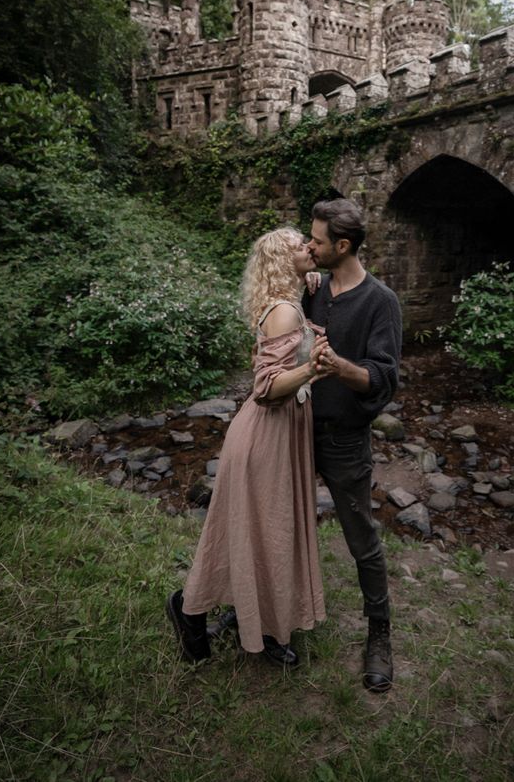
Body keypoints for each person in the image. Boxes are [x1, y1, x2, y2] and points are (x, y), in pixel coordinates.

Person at [166, 227, 328, 668]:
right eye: (300, 245)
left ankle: (261, 621)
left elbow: (307, 291)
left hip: (279, 434)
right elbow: (266, 387)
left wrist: (311, 281)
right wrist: (314, 368)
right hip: (266, 435)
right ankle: (190, 610)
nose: (309, 248)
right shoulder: (283, 313)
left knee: (263, 533)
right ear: (281, 260)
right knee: (266, 532)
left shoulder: (292, 300)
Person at [304, 197, 402, 693]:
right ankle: (268, 614)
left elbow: (384, 381)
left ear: (343, 246)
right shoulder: (313, 288)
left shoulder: (381, 302)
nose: (310, 246)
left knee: (362, 539)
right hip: (294, 434)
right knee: (281, 525)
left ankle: (379, 634)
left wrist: (340, 366)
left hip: (345, 441)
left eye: (317, 241)